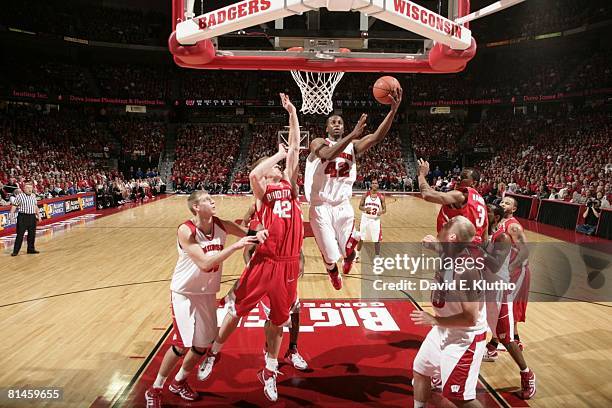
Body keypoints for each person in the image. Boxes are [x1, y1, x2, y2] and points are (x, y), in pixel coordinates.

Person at [209, 93, 303, 402]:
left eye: (279, 167)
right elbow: (252, 173)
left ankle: (270, 370)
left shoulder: (290, 184)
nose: (277, 170)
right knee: (237, 310)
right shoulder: (262, 192)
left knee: (278, 321)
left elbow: (296, 145)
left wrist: (291, 113)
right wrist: (276, 155)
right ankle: (214, 352)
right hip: (266, 260)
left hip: (288, 263)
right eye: (272, 169)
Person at [144, 191, 264, 407]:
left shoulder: (222, 224)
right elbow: (205, 263)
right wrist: (236, 246)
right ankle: (155, 388)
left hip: (207, 294)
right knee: (181, 344)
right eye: (208, 200)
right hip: (185, 294)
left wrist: (268, 226)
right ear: (196, 207)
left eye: (212, 199)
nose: (213, 201)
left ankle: (179, 382)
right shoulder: (186, 230)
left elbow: (251, 233)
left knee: (201, 345)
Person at [304, 88, 402, 290]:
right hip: (320, 206)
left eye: (340, 122)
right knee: (331, 254)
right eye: (333, 122)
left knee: (346, 251)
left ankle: (350, 256)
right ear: (327, 127)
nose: (337, 125)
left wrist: (392, 111)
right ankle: (332, 270)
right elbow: (327, 155)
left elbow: (375, 137)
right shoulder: (318, 142)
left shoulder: (352, 146)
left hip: (342, 204)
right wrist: (352, 134)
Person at [411, 216, 488, 408]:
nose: (442, 225)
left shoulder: (466, 270)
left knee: (460, 398)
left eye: (446, 224)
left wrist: (435, 320)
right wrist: (435, 247)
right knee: (420, 371)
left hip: (464, 338)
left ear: (452, 237)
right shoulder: (452, 251)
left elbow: (471, 318)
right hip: (443, 330)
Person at [482, 204, 536, 400]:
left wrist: (476, 252)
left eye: (487, 214)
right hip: (487, 288)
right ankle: (489, 349)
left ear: (496, 217)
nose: (483, 216)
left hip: (501, 288)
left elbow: (496, 264)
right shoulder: (489, 232)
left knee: (506, 336)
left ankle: (527, 374)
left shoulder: (506, 234)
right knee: (469, 324)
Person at [485, 196, 530, 350]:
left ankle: (495, 343)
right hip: (504, 269)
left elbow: (525, 251)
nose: (503, 204)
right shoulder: (499, 223)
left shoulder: (513, 226)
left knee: (504, 304)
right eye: (503, 202)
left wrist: (510, 269)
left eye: (508, 203)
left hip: (516, 270)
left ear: (514, 209)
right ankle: (514, 339)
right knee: (504, 305)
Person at [417, 160, 488, 244]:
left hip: (460, 250)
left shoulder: (462, 195)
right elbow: (485, 237)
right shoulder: (481, 202)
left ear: (474, 183)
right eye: (459, 176)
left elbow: (427, 194)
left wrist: (421, 175)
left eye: (463, 177)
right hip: (474, 250)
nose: (458, 178)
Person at [355, 179, 386, 261]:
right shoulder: (365, 195)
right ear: (371, 185)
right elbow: (360, 206)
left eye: (376, 183)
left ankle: (377, 257)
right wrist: (365, 209)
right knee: (361, 237)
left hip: (375, 220)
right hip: (365, 219)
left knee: (377, 239)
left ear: (378, 185)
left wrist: (381, 212)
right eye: (373, 183)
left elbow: (384, 209)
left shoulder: (381, 197)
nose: (374, 184)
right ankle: (357, 255)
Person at [10, 182, 41, 256]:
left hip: (32, 217)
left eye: (31, 188)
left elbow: (35, 206)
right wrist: (11, 216)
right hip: (23, 217)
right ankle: (15, 251)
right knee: (20, 235)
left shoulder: (33, 196)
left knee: (32, 234)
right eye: (27, 188)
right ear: (24, 189)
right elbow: (14, 206)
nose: (29, 189)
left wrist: (39, 216)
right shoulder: (19, 196)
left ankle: (31, 249)